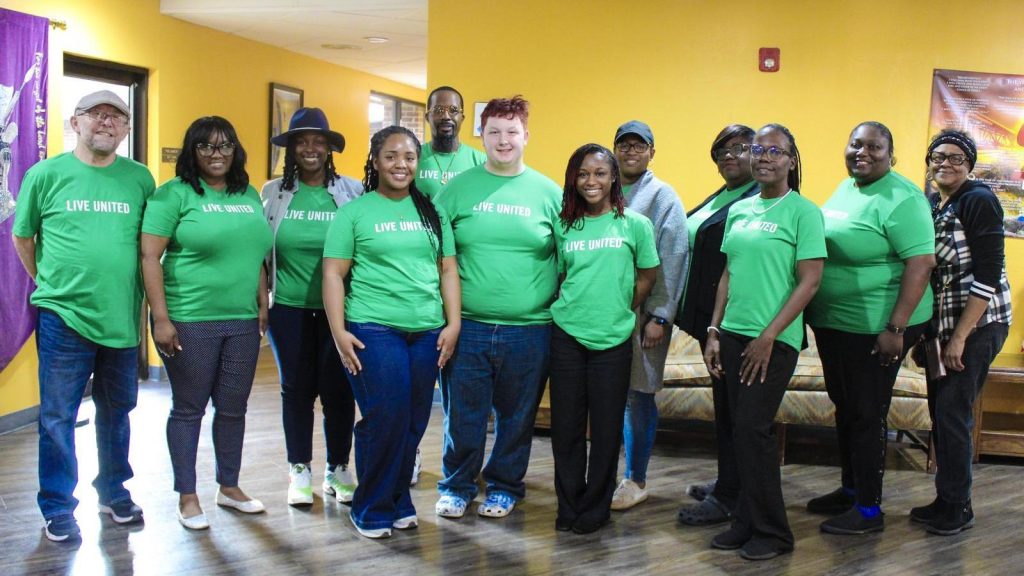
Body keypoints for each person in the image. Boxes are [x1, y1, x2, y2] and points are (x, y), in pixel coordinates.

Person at [12, 90, 154, 542]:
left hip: (121, 315)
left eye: (116, 116)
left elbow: (149, 246)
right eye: (96, 114)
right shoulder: (45, 174)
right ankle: (57, 506)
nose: (106, 122)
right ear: (76, 122)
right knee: (58, 417)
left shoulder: (140, 179)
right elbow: (23, 237)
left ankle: (114, 492)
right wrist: (48, 283)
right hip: (63, 316)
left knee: (118, 412)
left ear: (126, 129)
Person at [323, 125, 461, 539]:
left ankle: (398, 498)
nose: (401, 164)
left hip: (426, 330)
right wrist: (338, 331)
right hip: (373, 327)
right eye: (391, 156)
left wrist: (453, 323)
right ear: (375, 161)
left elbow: (448, 270)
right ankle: (371, 506)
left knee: (414, 420)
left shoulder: (433, 213)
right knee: (386, 416)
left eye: (409, 157)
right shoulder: (354, 213)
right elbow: (333, 274)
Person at [141, 116, 273, 531]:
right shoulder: (173, 195)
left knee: (233, 408)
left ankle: (229, 487)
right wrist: (160, 318)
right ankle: (187, 496)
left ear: (235, 150)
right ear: (192, 151)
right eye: (206, 146)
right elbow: (149, 257)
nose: (217, 154)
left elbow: (254, 252)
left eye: (225, 145)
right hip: (190, 318)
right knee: (189, 409)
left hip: (242, 320)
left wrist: (262, 300)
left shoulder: (248, 194)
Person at [433, 96, 562, 520]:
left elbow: (566, 260)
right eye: (494, 132)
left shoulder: (550, 194)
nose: (503, 140)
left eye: (512, 132)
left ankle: (505, 486)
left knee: (517, 418)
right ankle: (457, 486)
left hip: (530, 329)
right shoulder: (457, 189)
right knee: (462, 416)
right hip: (467, 326)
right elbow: (437, 256)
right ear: (482, 137)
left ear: (526, 136)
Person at [805, 121, 935, 535]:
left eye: (874, 147)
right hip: (837, 324)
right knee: (845, 406)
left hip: (878, 326)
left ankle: (868, 510)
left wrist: (895, 327)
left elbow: (922, 263)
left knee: (866, 412)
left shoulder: (904, 199)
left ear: (891, 155)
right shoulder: (848, 188)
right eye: (856, 144)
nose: (862, 152)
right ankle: (850, 490)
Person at [703, 124, 825, 560]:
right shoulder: (739, 210)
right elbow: (728, 274)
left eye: (775, 151)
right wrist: (714, 331)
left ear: (792, 160)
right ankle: (744, 522)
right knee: (738, 432)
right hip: (732, 335)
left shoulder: (803, 212)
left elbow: (810, 281)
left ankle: (774, 533)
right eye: (758, 150)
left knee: (753, 430)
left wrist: (769, 335)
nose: (765, 157)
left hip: (773, 341)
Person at [550, 143, 659, 533]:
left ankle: (595, 509)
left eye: (599, 173)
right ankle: (569, 507)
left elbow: (648, 275)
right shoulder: (564, 225)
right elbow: (562, 276)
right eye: (582, 174)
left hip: (613, 341)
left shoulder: (635, 225)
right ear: (573, 180)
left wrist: (622, 306)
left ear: (614, 177)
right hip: (566, 336)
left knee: (607, 429)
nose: (590, 181)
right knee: (566, 428)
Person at [911, 129, 1011, 535]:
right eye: (938, 156)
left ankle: (959, 507)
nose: (946, 163)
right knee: (942, 412)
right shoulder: (934, 202)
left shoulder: (978, 200)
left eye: (956, 158)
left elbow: (988, 274)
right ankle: (946, 497)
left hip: (978, 325)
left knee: (953, 412)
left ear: (969, 165)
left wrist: (959, 338)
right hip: (944, 326)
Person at [262, 108, 362, 507]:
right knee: (296, 389)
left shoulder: (351, 191)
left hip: (341, 311)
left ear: (328, 148)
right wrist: (261, 301)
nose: (310, 148)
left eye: (318, 141)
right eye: (301, 141)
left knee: (339, 390)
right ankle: (298, 468)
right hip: (288, 308)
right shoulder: (273, 193)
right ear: (290, 149)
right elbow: (260, 252)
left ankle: (338, 468)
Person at [675, 124, 760, 526]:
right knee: (725, 407)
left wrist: (718, 326)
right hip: (711, 321)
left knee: (736, 411)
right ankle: (730, 481)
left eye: (740, 148)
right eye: (722, 150)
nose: (729, 156)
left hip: (735, 323)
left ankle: (731, 496)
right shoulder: (724, 195)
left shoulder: (758, 199)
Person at [606, 121, 688, 511]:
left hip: (645, 317)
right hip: (603, 314)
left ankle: (635, 478)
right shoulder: (602, 187)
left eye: (639, 146)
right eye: (624, 145)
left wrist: (660, 317)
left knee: (638, 396)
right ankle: (603, 473)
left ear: (652, 152)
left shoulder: (662, 197)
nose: (631, 151)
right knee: (608, 393)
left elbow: (674, 258)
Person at [416, 85, 486, 198]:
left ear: (462, 118)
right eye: (438, 110)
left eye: (453, 110)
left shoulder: (481, 162)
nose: (446, 116)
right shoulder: (413, 158)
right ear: (428, 117)